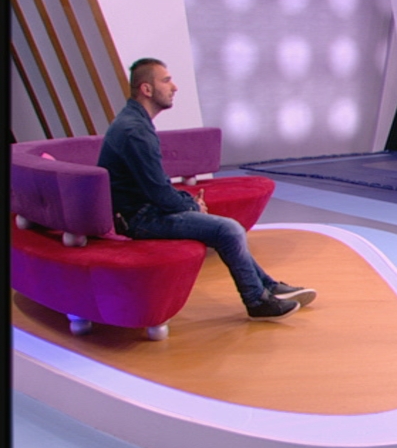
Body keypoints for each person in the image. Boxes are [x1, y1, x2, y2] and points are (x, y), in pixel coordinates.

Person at [98, 58, 317, 321]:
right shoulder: (135, 131)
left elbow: (155, 187)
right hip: (138, 219)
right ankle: (257, 301)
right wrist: (192, 205)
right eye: (166, 81)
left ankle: (268, 287)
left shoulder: (135, 122)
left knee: (225, 228)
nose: (174, 87)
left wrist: (188, 202)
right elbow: (158, 192)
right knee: (228, 230)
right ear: (146, 89)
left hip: (142, 210)